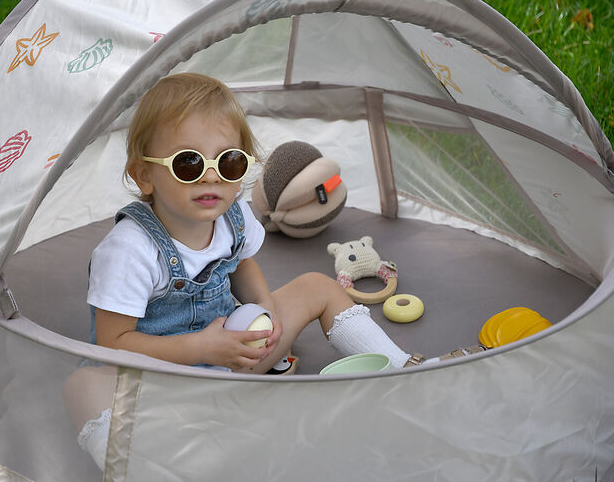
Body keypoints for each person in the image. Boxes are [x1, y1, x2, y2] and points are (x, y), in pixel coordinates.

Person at [64, 73, 418, 470]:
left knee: (316, 286)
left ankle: (404, 371)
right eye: (188, 163)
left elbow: (242, 265)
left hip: (235, 362)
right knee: (83, 387)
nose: (211, 176)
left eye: (229, 162)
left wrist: (267, 311)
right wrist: (201, 347)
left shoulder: (233, 216)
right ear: (144, 175)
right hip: (160, 386)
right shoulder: (130, 249)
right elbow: (112, 343)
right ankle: (146, 468)